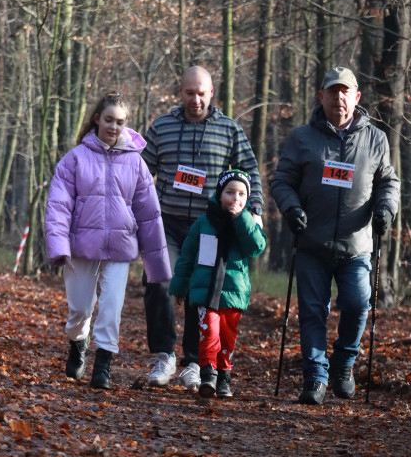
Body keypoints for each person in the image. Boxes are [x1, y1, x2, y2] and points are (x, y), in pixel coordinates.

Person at [270, 67, 400, 405]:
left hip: (356, 245)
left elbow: (389, 182)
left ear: (356, 98)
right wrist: (292, 208)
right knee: (313, 312)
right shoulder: (302, 138)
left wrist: (385, 208)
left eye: (346, 92)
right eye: (333, 91)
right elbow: (281, 180)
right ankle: (315, 377)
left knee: (358, 304)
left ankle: (343, 363)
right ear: (321, 96)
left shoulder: (376, 139)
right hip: (312, 243)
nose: (339, 97)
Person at [141, 65, 264, 390]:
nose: (195, 99)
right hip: (167, 223)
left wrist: (255, 210)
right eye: (189, 93)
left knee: (202, 289)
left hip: (210, 230)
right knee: (159, 281)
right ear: (180, 93)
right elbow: (140, 173)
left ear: (211, 94)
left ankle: (194, 362)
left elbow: (249, 170)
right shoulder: (162, 127)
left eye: (201, 93)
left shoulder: (229, 130)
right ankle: (164, 355)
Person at [44, 92, 171, 390]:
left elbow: (149, 215)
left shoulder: (136, 164)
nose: (114, 127)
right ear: (97, 119)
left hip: (120, 246)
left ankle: (103, 364)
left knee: (111, 306)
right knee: (79, 309)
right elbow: (58, 206)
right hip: (81, 245)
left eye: (121, 122)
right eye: (109, 120)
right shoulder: (74, 159)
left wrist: (157, 265)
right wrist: (59, 247)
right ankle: (78, 342)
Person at [169, 169, 266, 398]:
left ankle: (224, 378)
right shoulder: (204, 222)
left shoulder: (247, 222)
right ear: (220, 194)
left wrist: (241, 218)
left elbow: (256, 247)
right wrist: (180, 288)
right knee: (209, 332)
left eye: (242, 194)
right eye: (230, 192)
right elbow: (187, 257)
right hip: (206, 291)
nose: (236, 198)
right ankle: (208, 375)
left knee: (227, 337)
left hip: (234, 292)